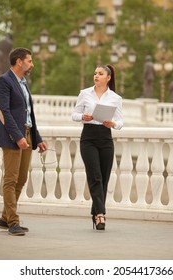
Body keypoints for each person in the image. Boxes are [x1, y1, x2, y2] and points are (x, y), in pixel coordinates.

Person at [0, 47, 47, 236]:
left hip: (28, 135)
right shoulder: (3, 81)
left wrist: (37, 139)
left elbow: (29, 114)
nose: (32, 64)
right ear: (19, 62)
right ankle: (13, 222)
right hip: (13, 137)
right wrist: (18, 137)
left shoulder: (23, 83)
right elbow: (4, 112)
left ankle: (4, 218)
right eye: (29, 61)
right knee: (11, 179)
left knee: (22, 178)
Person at [72, 65, 123, 230]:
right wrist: (82, 117)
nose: (96, 76)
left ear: (108, 77)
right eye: (95, 73)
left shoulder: (115, 98)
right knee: (95, 176)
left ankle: (95, 213)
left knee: (105, 178)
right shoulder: (84, 93)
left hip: (106, 138)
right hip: (88, 137)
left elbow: (120, 122)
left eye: (100, 74)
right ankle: (101, 215)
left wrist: (113, 123)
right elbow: (74, 114)